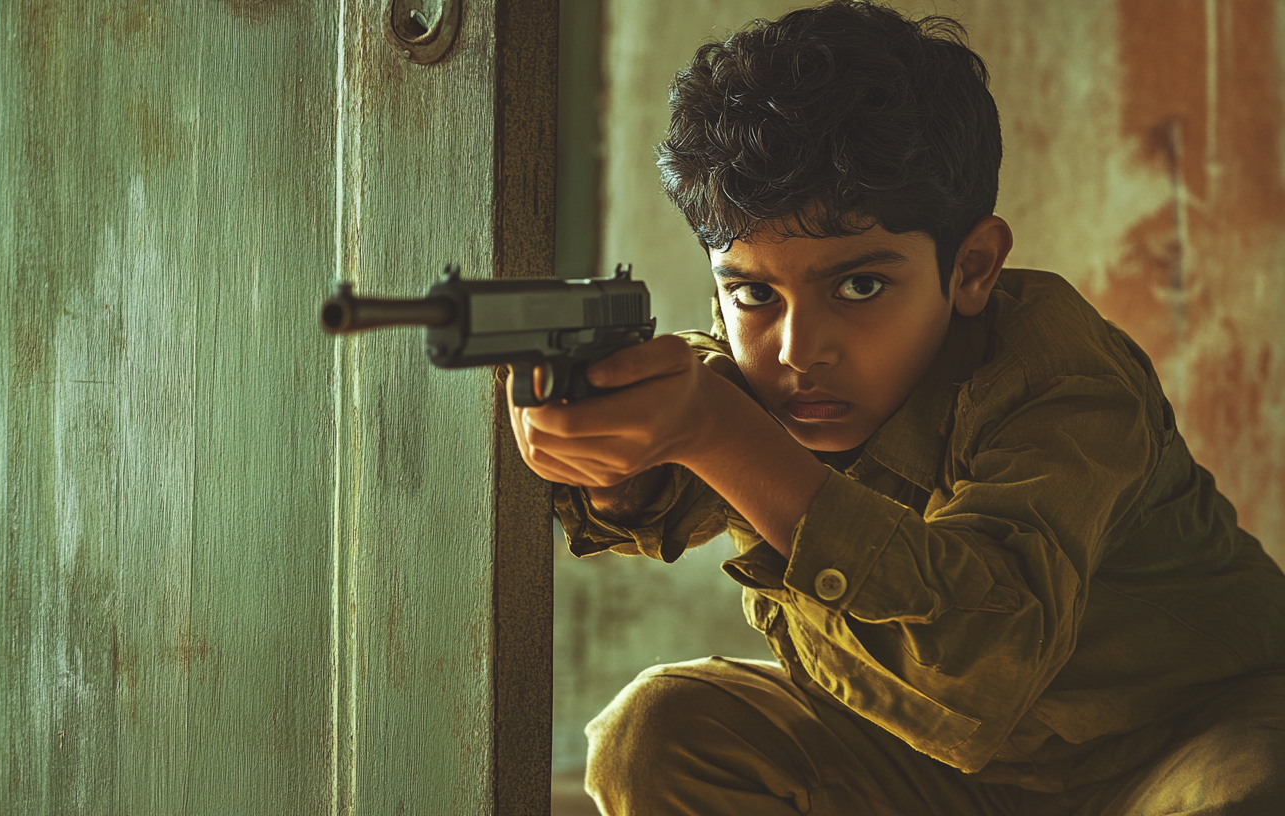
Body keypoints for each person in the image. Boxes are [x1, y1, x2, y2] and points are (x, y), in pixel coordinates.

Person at [507, 2, 1285, 814]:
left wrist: (720, 434)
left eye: (861, 286)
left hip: (1178, 741)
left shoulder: (1063, 379)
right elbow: (671, 478)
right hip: (942, 770)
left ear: (973, 267)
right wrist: (611, 471)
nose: (801, 350)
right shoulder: (748, 376)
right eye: (753, 293)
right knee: (659, 730)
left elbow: (981, 659)